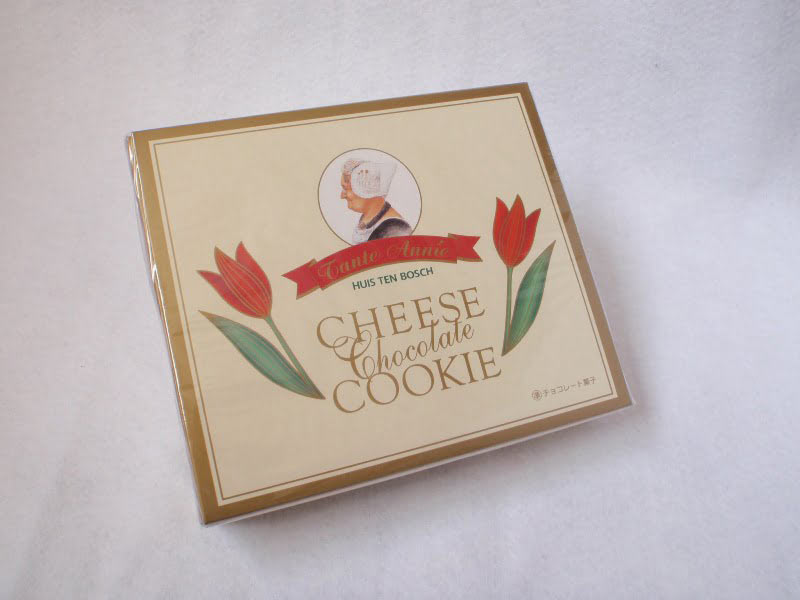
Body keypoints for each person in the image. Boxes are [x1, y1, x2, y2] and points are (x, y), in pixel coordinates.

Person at [340, 159, 412, 244]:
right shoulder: (367, 220)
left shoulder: (395, 228)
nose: (342, 196)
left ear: (365, 190)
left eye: (346, 189)